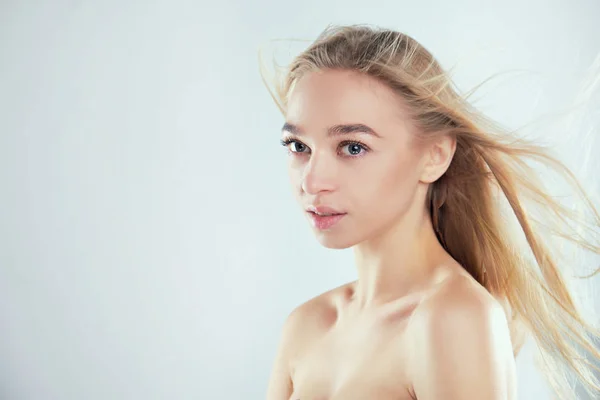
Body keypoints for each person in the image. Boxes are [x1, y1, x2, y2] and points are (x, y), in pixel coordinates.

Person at [260, 24, 600, 400]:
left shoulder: (453, 318)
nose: (312, 180)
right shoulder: (307, 326)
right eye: (298, 146)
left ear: (435, 155)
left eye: (352, 147)